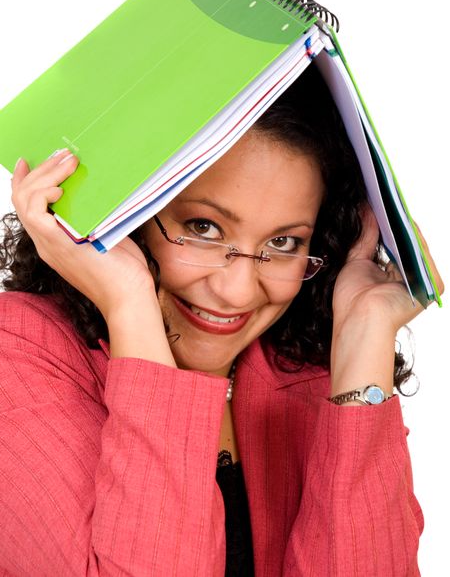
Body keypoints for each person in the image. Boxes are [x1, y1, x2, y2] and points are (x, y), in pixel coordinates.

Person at [0, 63, 443, 576]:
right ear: (131, 212)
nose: (236, 290)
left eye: (283, 243)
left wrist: (365, 338)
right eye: (203, 227)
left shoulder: (305, 375)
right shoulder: (19, 352)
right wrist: (129, 303)